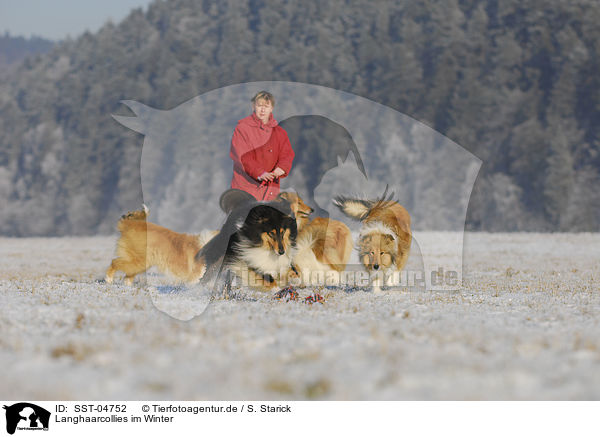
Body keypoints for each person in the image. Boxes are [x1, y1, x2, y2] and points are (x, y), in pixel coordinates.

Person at [229, 91, 294, 201]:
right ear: (253, 106)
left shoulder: (279, 133)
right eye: (260, 106)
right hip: (245, 188)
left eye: (266, 106)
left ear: (271, 108)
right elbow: (242, 156)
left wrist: (281, 168)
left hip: (270, 190)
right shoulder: (243, 128)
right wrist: (259, 173)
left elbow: (287, 154)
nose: (263, 110)